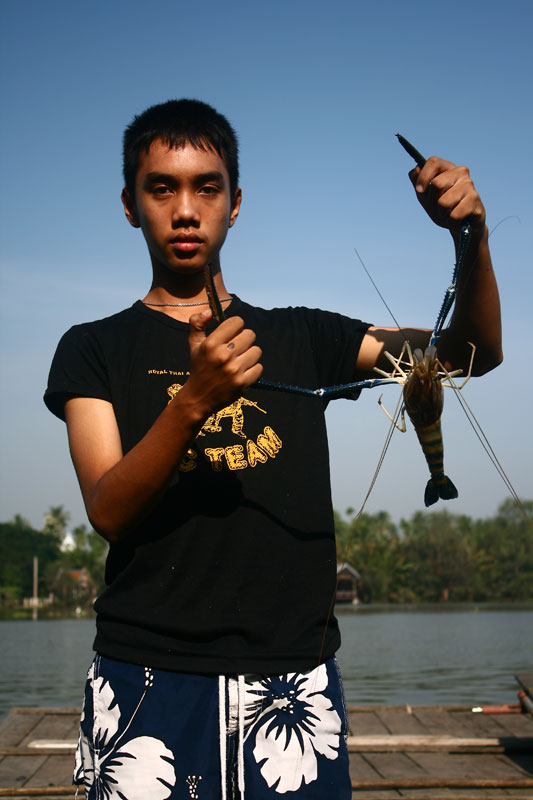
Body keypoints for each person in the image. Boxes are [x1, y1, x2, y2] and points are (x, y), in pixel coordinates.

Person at [44, 99, 502, 799]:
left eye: (207, 187)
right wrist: (193, 402)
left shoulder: (304, 335)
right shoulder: (92, 348)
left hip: (294, 682)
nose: (186, 209)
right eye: (161, 187)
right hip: (146, 676)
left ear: (234, 203)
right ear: (131, 206)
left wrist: (470, 237)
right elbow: (108, 507)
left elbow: (469, 354)